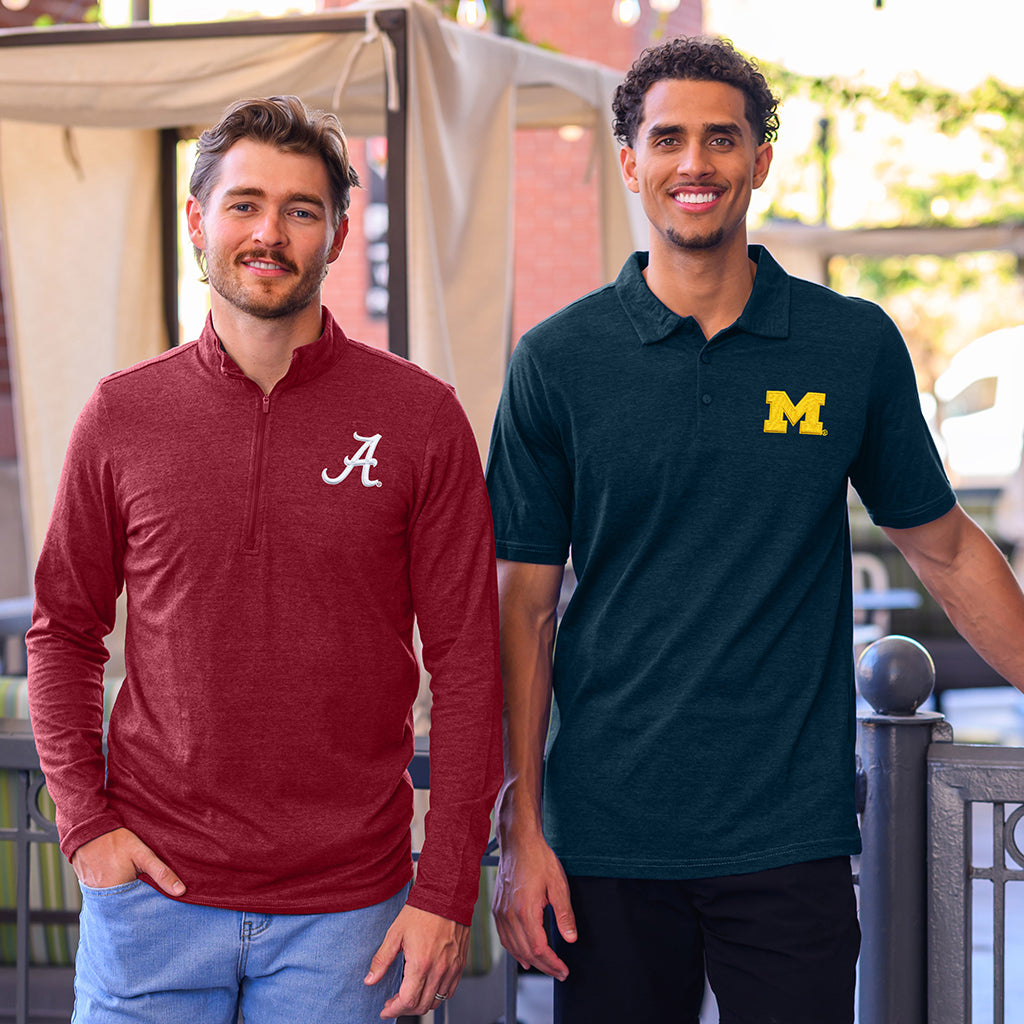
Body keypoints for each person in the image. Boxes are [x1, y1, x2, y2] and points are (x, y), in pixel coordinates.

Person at [484, 36, 1024, 1024]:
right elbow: (521, 610)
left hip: (789, 837)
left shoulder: (848, 345)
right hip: (605, 837)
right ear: (630, 163)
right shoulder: (557, 362)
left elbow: (943, 547)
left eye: (721, 139)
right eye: (669, 139)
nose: (695, 164)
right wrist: (518, 836)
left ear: (758, 159)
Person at [27, 95, 503, 1024]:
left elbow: (470, 663)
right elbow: (63, 633)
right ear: (198, 221)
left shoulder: (420, 419)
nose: (269, 233)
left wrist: (445, 888)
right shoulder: (121, 415)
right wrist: (86, 826)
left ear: (335, 234)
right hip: (151, 901)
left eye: (301, 209)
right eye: (244, 204)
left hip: (348, 918)